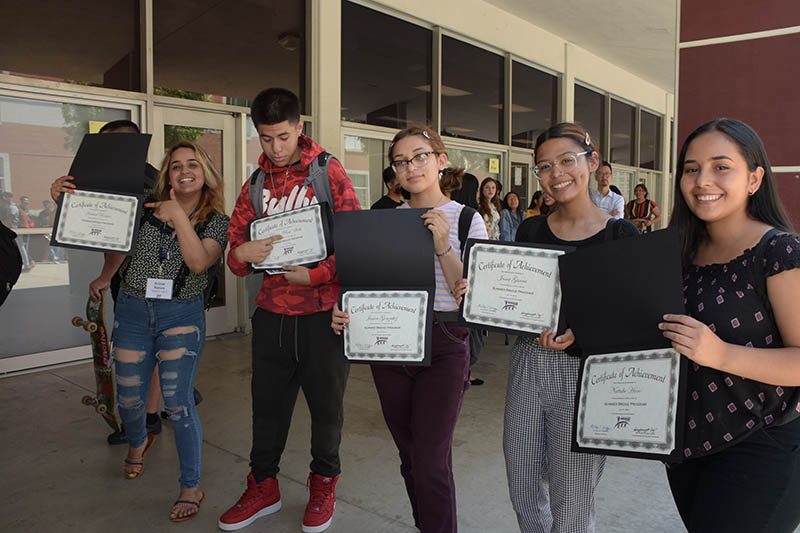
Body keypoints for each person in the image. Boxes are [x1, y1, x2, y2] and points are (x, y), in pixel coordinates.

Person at [332, 124, 487, 533]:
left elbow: (471, 297)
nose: (410, 166)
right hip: (390, 344)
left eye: (419, 156)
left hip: (446, 341)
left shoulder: (468, 219)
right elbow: (367, 284)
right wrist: (344, 312)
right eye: (401, 161)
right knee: (410, 454)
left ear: (440, 160)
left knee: (432, 459)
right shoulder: (382, 221)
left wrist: (442, 245)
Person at [220, 88, 360, 533]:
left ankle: (323, 484)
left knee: (327, 411)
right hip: (272, 315)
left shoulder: (328, 172)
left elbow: (359, 247)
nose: (276, 148)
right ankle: (263, 486)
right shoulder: (255, 185)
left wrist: (317, 277)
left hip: (323, 315)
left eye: (283, 136)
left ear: (300, 128)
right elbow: (235, 261)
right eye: (265, 138)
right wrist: (242, 251)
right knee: (268, 409)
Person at [659, 118, 800, 532]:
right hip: (685, 443)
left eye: (722, 166)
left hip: (763, 443)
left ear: (755, 178)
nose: (703, 180)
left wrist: (719, 353)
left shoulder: (779, 251)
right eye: (691, 168)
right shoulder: (676, 252)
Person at [505, 123, 638, 532]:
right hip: (529, 362)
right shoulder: (530, 229)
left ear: (592, 162)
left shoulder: (620, 235)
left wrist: (584, 332)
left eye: (567, 161)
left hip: (587, 375)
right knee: (522, 485)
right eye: (544, 166)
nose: (556, 173)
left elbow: (635, 316)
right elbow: (517, 292)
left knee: (573, 498)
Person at [112, 140, 228, 522]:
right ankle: (137, 438)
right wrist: (65, 195)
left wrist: (178, 216)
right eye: (175, 166)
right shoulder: (145, 203)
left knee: (177, 405)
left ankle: (190, 485)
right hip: (132, 309)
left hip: (180, 313)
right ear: (167, 174)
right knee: (128, 400)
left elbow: (197, 263)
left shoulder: (216, 221)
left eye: (192, 164)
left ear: (205, 173)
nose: (183, 171)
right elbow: (108, 227)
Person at [50, 119, 166, 445]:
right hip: (134, 281)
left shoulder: (140, 182)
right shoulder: (134, 175)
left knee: (142, 350)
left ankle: (147, 419)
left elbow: (122, 238)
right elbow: (89, 218)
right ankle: (156, 408)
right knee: (151, 348)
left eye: (107, 145)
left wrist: (104, 277)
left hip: (143, 282)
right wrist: (62, 198)